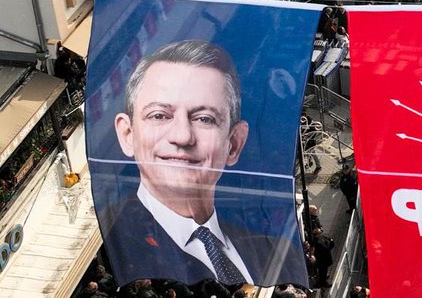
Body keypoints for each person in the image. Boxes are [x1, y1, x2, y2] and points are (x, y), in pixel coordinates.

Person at [102, 40, 306, 286]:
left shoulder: (273, 251)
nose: (182, 136)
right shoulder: (118, 247)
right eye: (159, 115)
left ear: (234, 144)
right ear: (127, 134)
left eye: (204, 119)